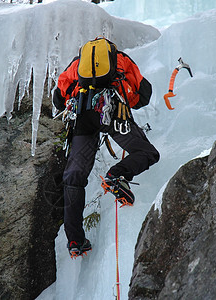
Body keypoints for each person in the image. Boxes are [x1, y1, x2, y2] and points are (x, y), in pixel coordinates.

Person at [52, 37, 160, 258]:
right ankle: (116, 176)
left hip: (83, 116)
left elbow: (58, 98)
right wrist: (128, 102)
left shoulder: (76, 63)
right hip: (112, 112)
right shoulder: (121, 60)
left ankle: (75, 240)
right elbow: (144, 94)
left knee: (74, 176)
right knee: (147, 153)